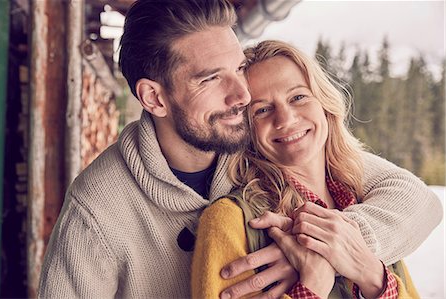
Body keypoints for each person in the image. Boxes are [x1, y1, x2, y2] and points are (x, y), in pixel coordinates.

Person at [38, 1, 442, 298]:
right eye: (211, 78)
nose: (241, 95)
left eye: (237, 69)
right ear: (154, 98)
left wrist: (332, 247)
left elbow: (415, 200)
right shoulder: (96, 213)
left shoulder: (256, 141)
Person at [191, 40, 440, 299]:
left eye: (298, 97)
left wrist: (369, 272)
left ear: (324, 102)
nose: (286, 119)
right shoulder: (229, 221)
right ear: (246, 130)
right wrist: (310, 287)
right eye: (262, 110)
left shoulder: (368, 205)